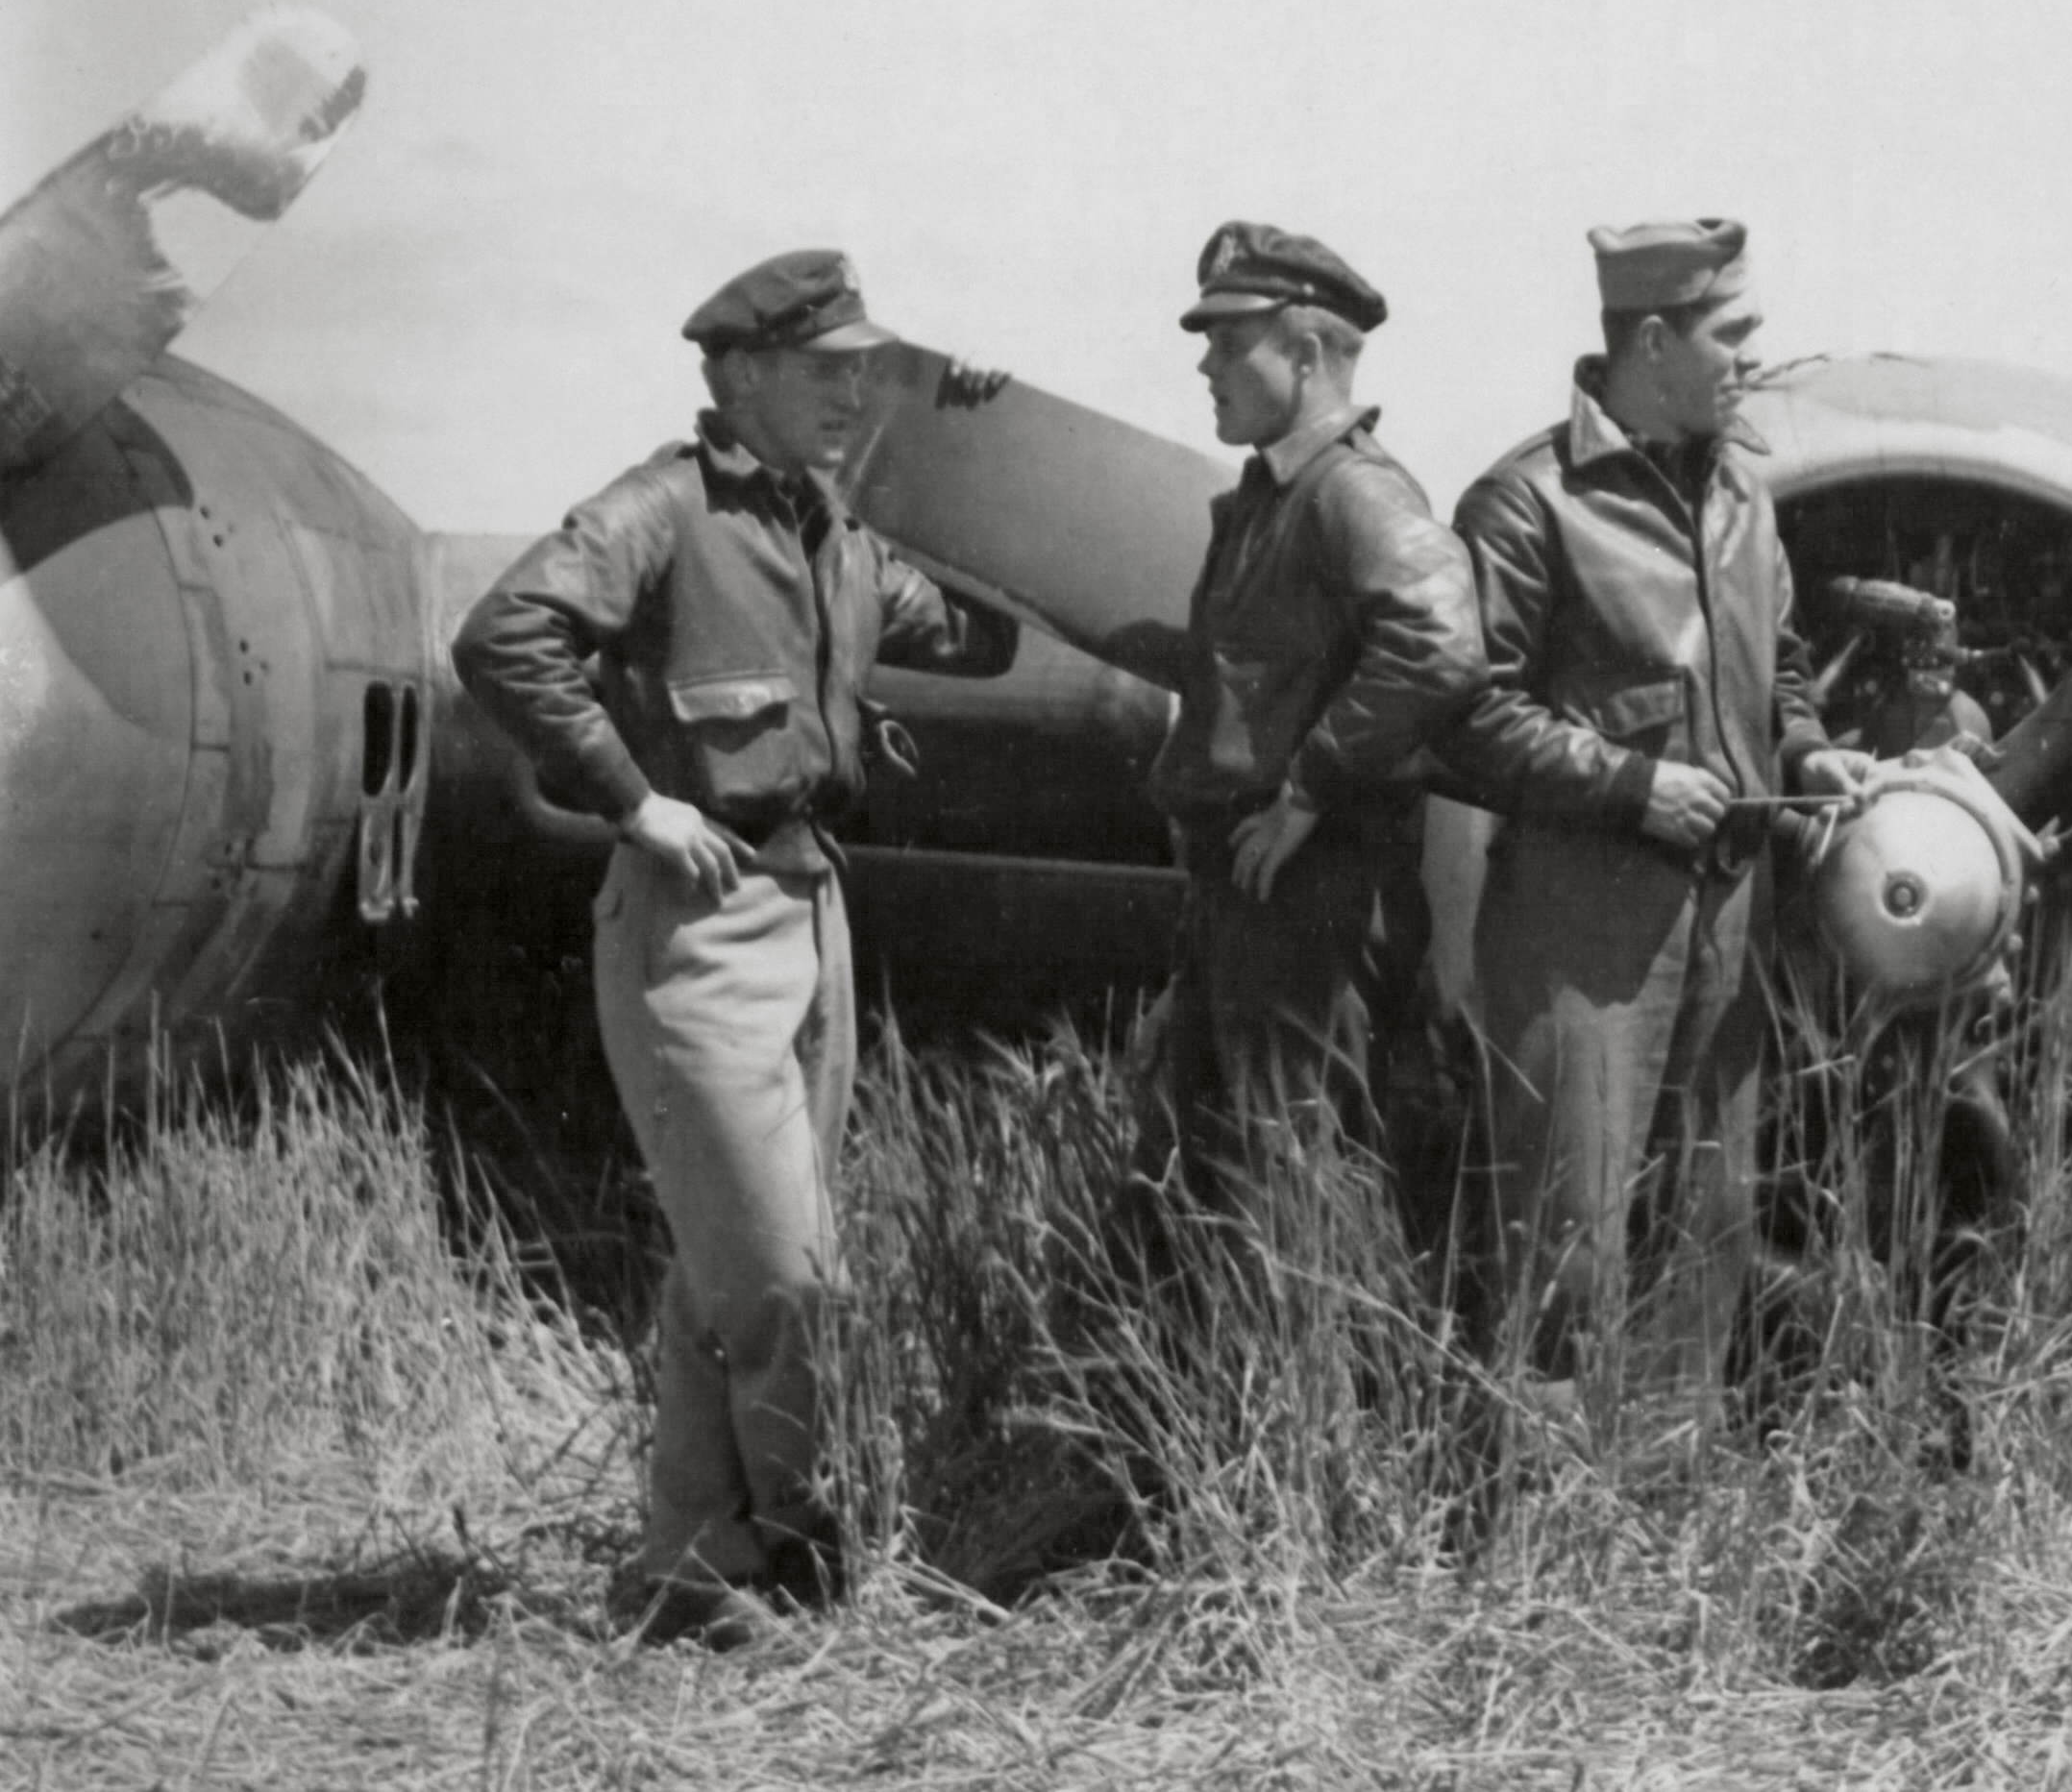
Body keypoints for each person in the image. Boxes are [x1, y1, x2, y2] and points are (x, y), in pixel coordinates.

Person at [454, 251, 1015, 1650]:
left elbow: (985, 639)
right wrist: (633, 802)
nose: (852, 393)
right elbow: (505, 635)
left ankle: (693, 1573)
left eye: (861, 371)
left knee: (727, 1268)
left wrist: (976, 463)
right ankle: (808, 1554)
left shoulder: (840, 533)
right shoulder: (663, 509)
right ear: (743, 373)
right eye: (824, 370)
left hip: (814, 910)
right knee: (784, 1279)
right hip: (695, 926)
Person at [1443, 217, 1873, 1379]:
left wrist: (1807, 753)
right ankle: (1542, 1490)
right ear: (1649, 343)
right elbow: (1463, 717)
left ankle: (1670, 1485)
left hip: (1725, 924)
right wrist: (1633, 788)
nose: (1749, 356)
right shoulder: (1526, 504)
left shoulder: (1742, 500)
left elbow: (1780, 672)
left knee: (1707, 1239)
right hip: (1581, 930)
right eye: (1729, 333)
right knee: (1566, 1251)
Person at [1150, 220, 1483, 1251]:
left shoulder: (1352, 490)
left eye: (1228, 342)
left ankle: (1321, 1363)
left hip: (1311, 899)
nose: (1205, 365)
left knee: (1290, 1185)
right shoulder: (1273, 495)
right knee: (1224, 1170)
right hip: (1254, 890)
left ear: (1303, 352)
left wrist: (1308, 789)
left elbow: (1441, 643)